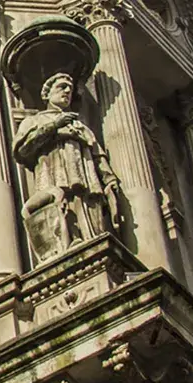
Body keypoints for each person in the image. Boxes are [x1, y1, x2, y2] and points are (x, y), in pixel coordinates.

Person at [12, 72, 120, 262]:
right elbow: (23, 149)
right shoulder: (35, 120)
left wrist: (109, 180)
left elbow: (97, 155)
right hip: (54, 179)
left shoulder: (81, 125)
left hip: (85, 180)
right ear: (46, 94)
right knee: (61, 215)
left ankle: (93, 247)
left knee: (92, 222)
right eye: (61, 87)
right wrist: (54, 126)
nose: (67, 91)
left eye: (69, 89)